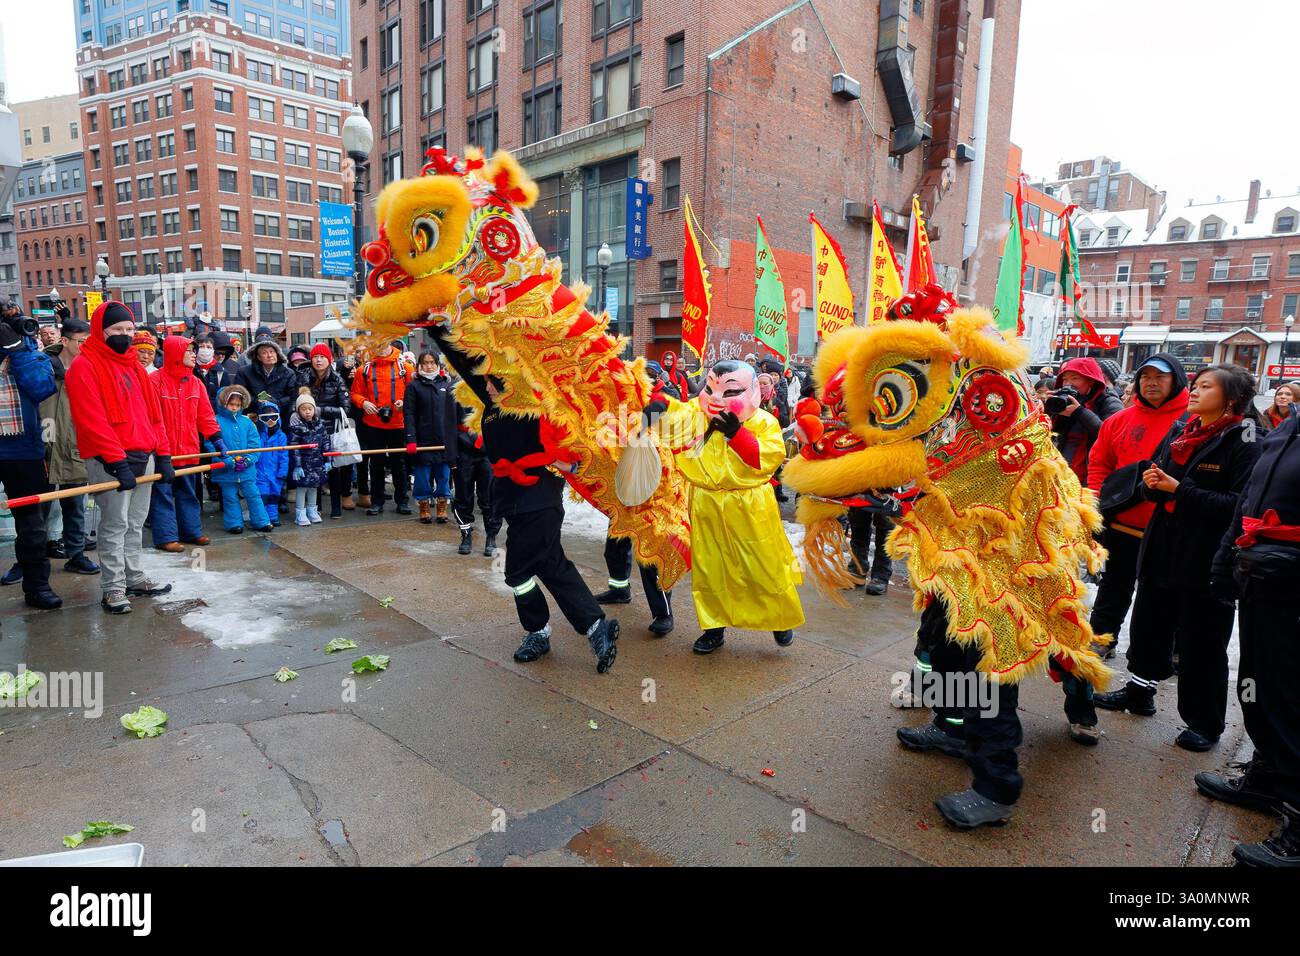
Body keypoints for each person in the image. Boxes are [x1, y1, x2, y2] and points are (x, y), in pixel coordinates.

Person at [1095, 364, 1262, 752]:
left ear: (1231, 399)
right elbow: (1157, 479)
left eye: (1206, 387)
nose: (1196, 392)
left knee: (1201, 641)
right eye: (1197, 385)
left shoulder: (1247, 440)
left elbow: (1239, 505)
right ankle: (1139, 692)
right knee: (1149, 623)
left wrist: (1176, 489)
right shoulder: (1182, 432)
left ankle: (1205, 722)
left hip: (1205, 556)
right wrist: (1153, 487)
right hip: (1162, 546)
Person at [434, 329, 620, 672]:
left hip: (539, 498)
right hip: (512, 500)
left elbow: (572, 440)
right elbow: (465, 362)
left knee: (518, 571)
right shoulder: (493, 404)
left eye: (492, 381)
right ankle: (591, 627)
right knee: (550, 564)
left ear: (510, 381)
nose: (486, 387)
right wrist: (435, 325)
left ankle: (548, 630)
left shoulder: (534, 405)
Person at [1197, 407, 1300, 866]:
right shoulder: (1282, 433)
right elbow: (1246, 506)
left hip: (1291, 587)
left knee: (1292, 702)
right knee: (1258, 690)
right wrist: (1223, 564)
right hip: (1261, 584)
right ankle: (1268, 779)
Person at [648, 359, 804, 653]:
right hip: (705, 502)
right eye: (709, 389)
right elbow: (671, 420)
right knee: (709, 569)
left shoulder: (763, 422)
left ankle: (780, 619)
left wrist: (736, 434)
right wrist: (655, 408)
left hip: (749, 505)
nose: (717, 399)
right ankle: (713, 628)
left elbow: (767, 460)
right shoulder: (696, 414)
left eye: (731, 392)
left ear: (753, 390)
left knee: (762, 566)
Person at [65, 301, 174, 614]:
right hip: (109, 460)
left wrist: (163, 454)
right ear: (102, 331)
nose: (125, 335)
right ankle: (113, 588)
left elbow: (155, 416)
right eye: (117, 330)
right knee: (114, 525)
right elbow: (91, 419)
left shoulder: (135, 367)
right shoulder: (84, 367)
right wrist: (116, 460)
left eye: (129, 329)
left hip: (145, 454)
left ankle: (133, 576)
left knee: (136, 522)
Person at [1086, 355, 1190, 659]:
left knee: (1160, 596)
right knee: (1113, 588)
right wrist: (1097, 502)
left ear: (1177, 380)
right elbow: (1099, 462)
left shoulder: (1192, 419)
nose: (1151, 383)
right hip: (1121, 524)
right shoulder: (1120, 420)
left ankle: (1159, 653)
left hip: (1167, 529)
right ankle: (1102, 639)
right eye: (1145, 377)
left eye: (1160, 377)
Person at [0, 300, 62, 609]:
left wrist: (15, 348)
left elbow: (42, 387)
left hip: (21, 448)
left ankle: (37, 586)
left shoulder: (27, 351)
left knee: (32, 525)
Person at [149, 335, 224, 551]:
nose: (194, 354)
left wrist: (217, 439)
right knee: (162, 494)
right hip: (163, 452)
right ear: (175, 353)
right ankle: (165, 536)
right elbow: (154, 419)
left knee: (189, 492)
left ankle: (191, 531)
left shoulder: (195, 383)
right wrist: (160, 450)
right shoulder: (155, 380)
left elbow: (205, 417)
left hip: (189, 449)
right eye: (189, 350)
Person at [40, 315, 99, 576]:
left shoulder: (91, 368)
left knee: (75, 506)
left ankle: (76, 555)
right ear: (65, 340)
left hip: (76, 444)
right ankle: (31, 560)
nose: (86, 346)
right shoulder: (42, 365)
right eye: (81, 341)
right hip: (43, 442)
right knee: (36, 508)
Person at [350, 338, 414, 516]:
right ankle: (376, 501)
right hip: (373, 423)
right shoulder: (364, 370)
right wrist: (363, 403)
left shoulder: (405, 368)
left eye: (382, 344)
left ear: (389, 344)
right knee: (375, 464)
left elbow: (413, 391)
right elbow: (354, 393)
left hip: (398, 423)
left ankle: (402, 501)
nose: (379, 348)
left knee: (399, 464)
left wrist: (405, 402)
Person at [403, 351, 459, 524]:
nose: (429, 366)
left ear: (438, 365)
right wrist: (411, 439)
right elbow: (409, 414)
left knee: (443, 475)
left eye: (432, 363)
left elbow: (453, 414)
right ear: (419, 365)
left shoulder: (446, 385)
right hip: (422, 440)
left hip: (443, 440)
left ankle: (442, 504)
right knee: (422, 476)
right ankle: (424, 505)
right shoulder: (413, 386)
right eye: (425, 363)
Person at [209, 384, 273, 535]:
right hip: (226, 469)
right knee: (230, 497)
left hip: (247, 469)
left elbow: (255, 444)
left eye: (238, 405)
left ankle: (261, 521)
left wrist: (248, 460)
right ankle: (234, 523)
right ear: (223, 403)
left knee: (254, 495)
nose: (235, 408)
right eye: (231, 404)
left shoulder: (247, 422)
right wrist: (228, 461)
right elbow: (212, 446)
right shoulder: (215, 422)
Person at [1050, 356, 1125, 484]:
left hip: (1091, 477)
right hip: (1063, 474)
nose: (1069, 384)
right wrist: (1051, 407)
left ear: (1091, 381)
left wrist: (1079, 412)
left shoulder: (1110, 402)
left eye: (1075, 378)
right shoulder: (1067, 401)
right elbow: (1052, 434)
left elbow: (1110, 436)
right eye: (1065, 379)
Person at [305, 342, 354, 517]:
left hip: (331, 431)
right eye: (315, 357)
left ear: (329, 359)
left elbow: (346, 409)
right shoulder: (304, 377)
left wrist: (321, 411)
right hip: (309, 431)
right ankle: (315, 507)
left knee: (333, 470)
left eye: (322, 357)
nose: (318, 361)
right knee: (313, 469)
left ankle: (335, 508)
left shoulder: (337, 379)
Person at [451, 399, 499, 556]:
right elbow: (447, 424)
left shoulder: (491, 392)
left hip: (489, 453)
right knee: (463, 498)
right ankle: (466, 535)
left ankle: (491, 537)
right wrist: (451, 456)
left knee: (490, 498)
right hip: (463, 453)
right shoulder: (455, 391)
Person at [287, 388, 331, 526]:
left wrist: (328, 459)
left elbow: (326, 442)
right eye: (303, 409)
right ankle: (300, 513)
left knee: (314, 487)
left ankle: (312, 510)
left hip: (317, 463)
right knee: (302, 488)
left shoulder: (320, 425)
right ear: (298, 411)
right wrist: (297, 465)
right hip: (303, 464)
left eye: (309, 408)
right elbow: (294, 448)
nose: (307, 412)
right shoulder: (296, 428)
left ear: (314, 409)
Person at [236, 332, 298, 425]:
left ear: (277, 354)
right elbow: (239, 394)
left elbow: (293, 397)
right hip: (253, 419)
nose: (269, 355)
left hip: (280, 419)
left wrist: (277, 402)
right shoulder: (244, 372)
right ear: (258, 357)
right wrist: (256, 401)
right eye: (264, 353)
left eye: (272, 351)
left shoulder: (288, 373)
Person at [254, 400, 289, 528]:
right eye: (266, 417)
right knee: (263, 495)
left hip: (275, 473)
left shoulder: (281, 436)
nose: (270, 420)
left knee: (274, 496)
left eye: (274, 417)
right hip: (260, 472)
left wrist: (283, 471)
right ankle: (263, 519)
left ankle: (273, 517)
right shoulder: (258, 434)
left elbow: (284, 456)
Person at [194, 331, 238, 410]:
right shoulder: (190, 368)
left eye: (208, 347)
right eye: (201, 347)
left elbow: (224, 399)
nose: (221, 356)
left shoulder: (222, 372)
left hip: (213, 414)